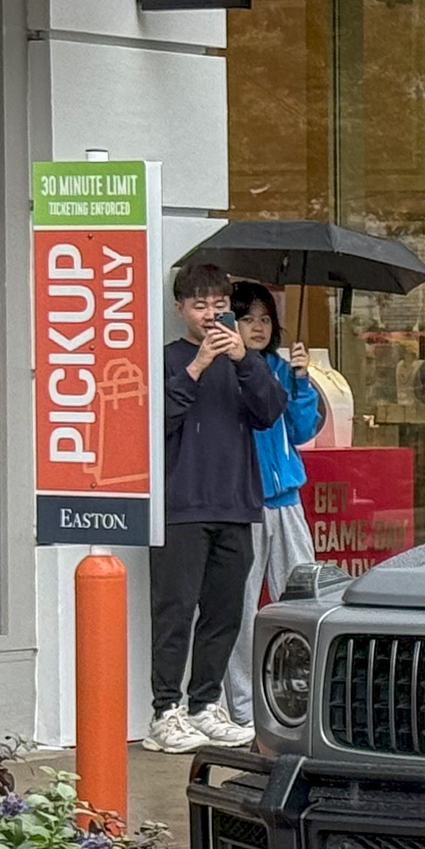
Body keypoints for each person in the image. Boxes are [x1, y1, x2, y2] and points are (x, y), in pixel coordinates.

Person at [148, 261, 287, 753]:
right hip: (181, 504)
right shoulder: (166, 358)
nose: (212, 315)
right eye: (200, 305)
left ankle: (205, 705)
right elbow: (157, 422)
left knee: (225, 612)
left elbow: (270, 411)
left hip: (236, 502)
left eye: (219, 305)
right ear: (180, 309)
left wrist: (244, 359)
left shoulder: (246, 359)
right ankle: (166, 711)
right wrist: (197, 365)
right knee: (175, 611)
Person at [219, 282, 325, 730]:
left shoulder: (282, 370)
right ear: (231, 324)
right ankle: (241, 707)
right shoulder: (225, 370)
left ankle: (306, 697)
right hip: (245, 502)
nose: (258, 327)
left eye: (265, 319)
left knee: (304, 595)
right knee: (241, 607)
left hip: (287, 500)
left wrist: (301, 379)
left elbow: (301, 431)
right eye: (248, 319)